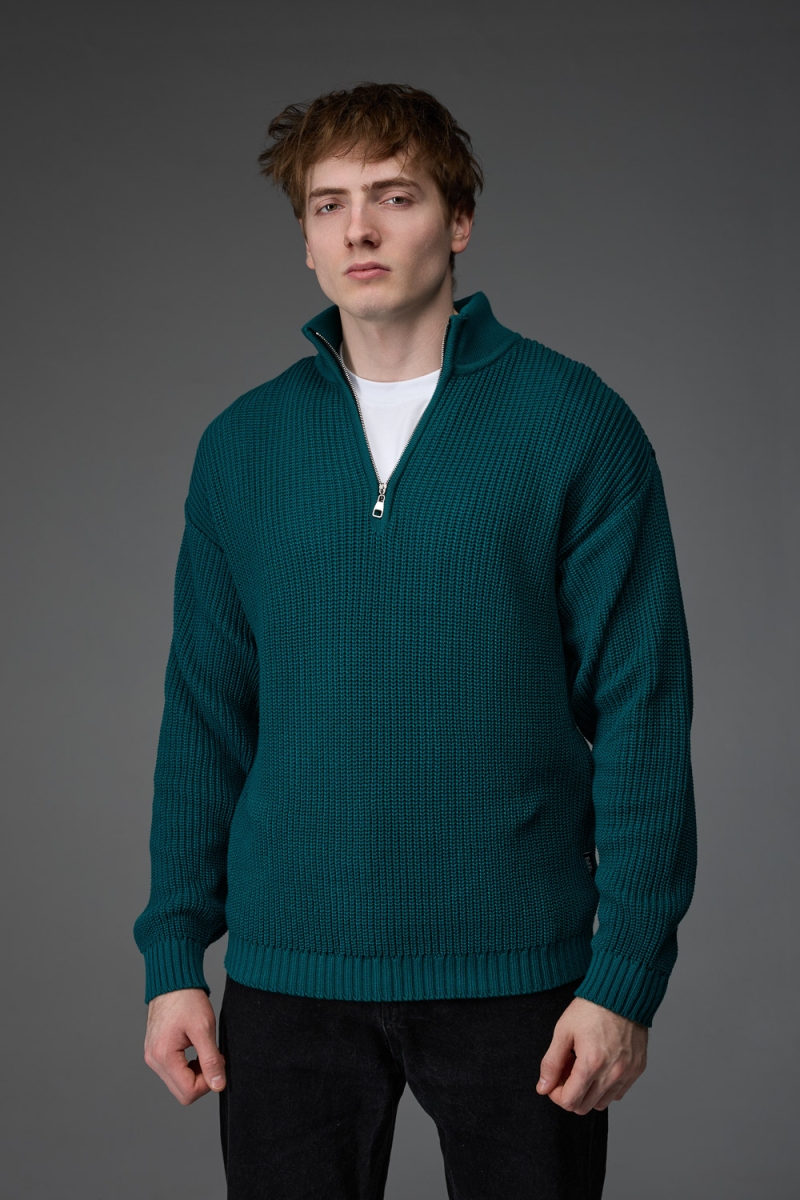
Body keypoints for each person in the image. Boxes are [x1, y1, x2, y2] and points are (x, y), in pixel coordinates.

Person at [133, 82, 697, 1199]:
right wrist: (173, 959)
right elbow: (205, 713)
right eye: (329, 204)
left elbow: (642, 708)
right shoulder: (243, 446)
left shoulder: (572, 423)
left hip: (522, 978)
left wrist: (624, 976)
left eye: (394, 197)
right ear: (304, 240)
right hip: (289, 976)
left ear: (458, 219)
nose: (360, 229)